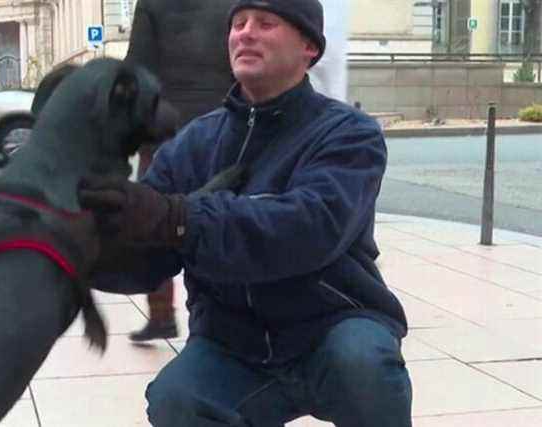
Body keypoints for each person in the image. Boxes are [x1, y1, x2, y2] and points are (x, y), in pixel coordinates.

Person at [79, 0, 412, 425]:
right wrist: (83, 243)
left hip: (331, 325)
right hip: (231, 339)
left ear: (309, 46)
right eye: (238, 24)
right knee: (176, 398)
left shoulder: (348, 133)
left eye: (266, 23)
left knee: (364, 365)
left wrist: (183, 218)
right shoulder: (192, 144)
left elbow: (308, 227)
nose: (245, 33)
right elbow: (146, 261)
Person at [122, 0, 235, 342]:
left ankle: (161, 316)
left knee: (153, 224)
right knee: (227, 220)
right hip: (226, 123)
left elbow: (137, 69)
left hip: (165, 131)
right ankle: (228, 317)